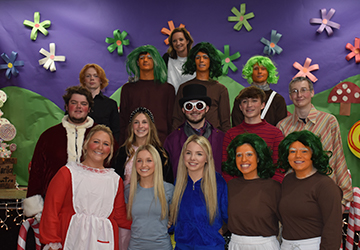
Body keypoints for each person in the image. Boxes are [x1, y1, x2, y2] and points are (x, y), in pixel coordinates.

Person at [40, 125, 131, 250]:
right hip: (71, 239)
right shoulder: (68, 173)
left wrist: (148, 222)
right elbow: (51, 210)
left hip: (104, 242)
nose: (100, 147)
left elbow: (120, 216)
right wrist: (51, 241)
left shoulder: (115, 180)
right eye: (96, 142)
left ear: (110, 150)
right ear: (86, 144)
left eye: (106, 144)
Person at [276, 76, 352, 208]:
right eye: (294, 91)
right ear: (290, 96)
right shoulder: (283, 126)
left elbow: (338, 157)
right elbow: (282, 164)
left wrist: (344, 197)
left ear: (312, 92)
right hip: (294, 194)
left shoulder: (329, 121)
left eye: (303, 90)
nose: (299, 95)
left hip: (325, 192)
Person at [24, 86, 95, 219]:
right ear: (67, 107)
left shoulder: (100, 136)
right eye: (74, 103)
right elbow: (36, 172)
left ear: (89, 109)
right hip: (55, 208)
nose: (78, 107)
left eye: (83, 104)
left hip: (91, 208)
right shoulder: (48, 136)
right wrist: (36, 209)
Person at [112, 107, 173, 250]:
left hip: (154, 212)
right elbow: (116, 182)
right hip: (130, 209)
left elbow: (168, 187)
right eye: (136, 122)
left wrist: (169, 217)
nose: (140, 126)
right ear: (131, 127)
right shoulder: (122, 152)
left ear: (151, 126)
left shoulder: (161, 153)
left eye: (144, 122)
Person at [277, 130, 342, 249]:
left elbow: (333, 228)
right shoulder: (287, 180)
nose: (298, 156)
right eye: (292, 151)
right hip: (286, 245)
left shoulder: (325, 185)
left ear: (314, 154)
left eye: (304, 151)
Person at [223, 133, 280, 249]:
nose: (244, 159)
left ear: (258, 158)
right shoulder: (230, 186)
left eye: (249, 154)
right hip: (236, 244)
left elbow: (288, 222)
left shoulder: (273, 187)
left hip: (265, 245)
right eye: (239, 155)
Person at [170, 135, 228, 249]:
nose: (192, 158)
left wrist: (224, 228)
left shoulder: (218, 183)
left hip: (211, 246)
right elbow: (175, 219)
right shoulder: (179, 183)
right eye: (188, 153)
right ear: (183, 155)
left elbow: (228, 216)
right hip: (183, 247)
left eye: (199, 154)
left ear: (207, 158)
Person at [222, 86, 284, 183]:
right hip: (238, 189)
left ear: (263, 105)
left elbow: (279, 168)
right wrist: (235, 187)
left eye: (254, 101)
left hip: (267, 190)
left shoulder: (275, 133)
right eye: (245, 102)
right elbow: (226, 168)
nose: (249, 105)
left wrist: (271, 188)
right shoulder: (231, 134)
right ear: (240, 107)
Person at [164, 83, 224, 177]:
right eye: (189, 106)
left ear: (206, 108)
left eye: (199, 105)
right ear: (183, 110)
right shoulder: (172, 140)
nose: (194, 110)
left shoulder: (221, 138)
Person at [119, 45, 175, 144]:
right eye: (141, 58)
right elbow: (123, 119)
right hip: (134, 140)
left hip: (161, 140)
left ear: (156, 62)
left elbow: (171, 119)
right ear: (137, 63)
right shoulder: (128, 89)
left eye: (149, 57)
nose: (145, 60)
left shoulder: (168, 89)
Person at [172, 42, 231, 133]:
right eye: (198, 57)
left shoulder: (220, 89)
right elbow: (177, 118)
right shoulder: (184, 87)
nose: (201, 61)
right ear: (193, 61)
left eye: (205, 57)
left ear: (211, 60)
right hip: (188, 138)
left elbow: (225, 122)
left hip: (213, 139)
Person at [125, 144, 174, 250]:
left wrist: (169, 221)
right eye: (139, 161)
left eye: (149, 160)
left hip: (162, 246)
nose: (143, 165)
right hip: (135, 247)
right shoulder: (129, 191)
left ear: (156, 163)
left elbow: (176, 217)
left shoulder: (169, 189)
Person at [232, 55, 287, 127]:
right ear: (250, 72)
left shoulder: (278, 99)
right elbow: (236, 126)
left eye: (263, 68)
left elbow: (281, 127)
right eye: (255, 69)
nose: (259, 72)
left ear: (269, 72)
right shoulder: (241, 98)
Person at [79, 63, 120, 142]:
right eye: (88, 76)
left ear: (101, 80)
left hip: (102, 148)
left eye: (95, 76)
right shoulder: (76, 102)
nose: (92, 78)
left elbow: (116, 131)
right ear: (84, 80)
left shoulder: (111, 104)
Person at [162, 27, 195, 93]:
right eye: (174, 41)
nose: (178, 43)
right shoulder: (167, 58)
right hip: (172, 98)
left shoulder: (195, 58)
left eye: (181, 39)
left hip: (192, 99)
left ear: (187, 41)